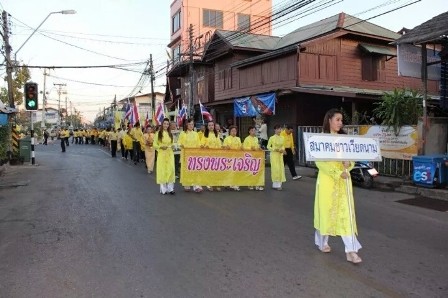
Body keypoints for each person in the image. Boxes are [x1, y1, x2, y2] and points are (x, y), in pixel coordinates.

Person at [314, 108, 362, 264]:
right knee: (326, 212)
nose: (341, 123)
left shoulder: (344, 139)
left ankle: (351, 251)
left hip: (344, 182)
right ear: (329, 120)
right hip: (327, 182)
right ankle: (322, 242)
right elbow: (319, 162)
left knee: (346, 215)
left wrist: (349, 164)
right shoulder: (320, 139)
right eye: (338, 120)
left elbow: (352, 159)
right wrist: (336, 173)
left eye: (342, 120)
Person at [178, 118, 202, 192]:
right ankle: (187, 184)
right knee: (186, 170)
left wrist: (201, 147)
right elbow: (179, 143)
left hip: (194, 155)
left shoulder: (196, 134)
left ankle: (196, 186)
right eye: (189, 124)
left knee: (195, 170)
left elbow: (198, 144)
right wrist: (181, 145)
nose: (191, 125)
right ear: (186, 125)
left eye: (192, 124)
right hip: (186, 155)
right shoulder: (183, 133)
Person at [153, 118, 175, 195]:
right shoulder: (158, 133)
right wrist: (160, 147)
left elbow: (172, 143)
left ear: (169, 125)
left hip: (170, 154)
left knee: (171, 170)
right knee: (162, 170)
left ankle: (170, 188)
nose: (166, 125)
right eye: (164, 123)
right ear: (162, 124)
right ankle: (163, 189)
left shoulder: (170, 134)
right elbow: (154, 144)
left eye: (167, 124)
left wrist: (172, 146)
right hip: (162, 154)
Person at [201, 121, 222, 191]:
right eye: (209, 125)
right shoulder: (205, 135)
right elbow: (201, 145)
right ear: (207, 127)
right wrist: (205, 147)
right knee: (209, 170)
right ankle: (209, 184)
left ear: (214, 126)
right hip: (208, 155)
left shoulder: (217, 134)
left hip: (216, 155)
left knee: (216, 170)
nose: (211, 127)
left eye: (212, 125)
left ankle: (216, 184)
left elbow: (219, 145)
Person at [243, 126, 264, 191]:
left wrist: (259, 148)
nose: (253, 132)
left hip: (256, 157)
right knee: (250, 171)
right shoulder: (247, 139)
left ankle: (256, 184)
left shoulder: (256, 138)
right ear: (249, 131)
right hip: (249, 157)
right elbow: (244, 148)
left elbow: (257, 146)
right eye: (252, 130)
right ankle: (250, 184)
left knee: (256, 171)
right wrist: (250, 148)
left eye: (254, 130)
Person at [223, 125, 242, 191]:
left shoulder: (238, 139)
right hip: (229, 157)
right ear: (230, 132)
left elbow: (240, 147)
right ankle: (228, 183)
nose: (234, 132)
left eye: (235, 131)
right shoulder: (227, 139)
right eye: (232, 131)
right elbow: (224, 147)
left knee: (236, 171)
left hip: (237, 157)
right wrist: (226, 148)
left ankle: (234, 184)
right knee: (229, 171)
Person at [267, 125, 286, 190]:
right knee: (275, 169)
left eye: (280, 129)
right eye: (277, 129)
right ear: (274, 130)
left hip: (280, 155)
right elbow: (268, 147)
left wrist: (283, 150)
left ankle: (279, 184)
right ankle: (276, 184)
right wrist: (275, 149)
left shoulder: (282, 137)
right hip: (274, 155)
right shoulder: (271, 138)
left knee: (281, 168)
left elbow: (283, 145)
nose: (279, 130)